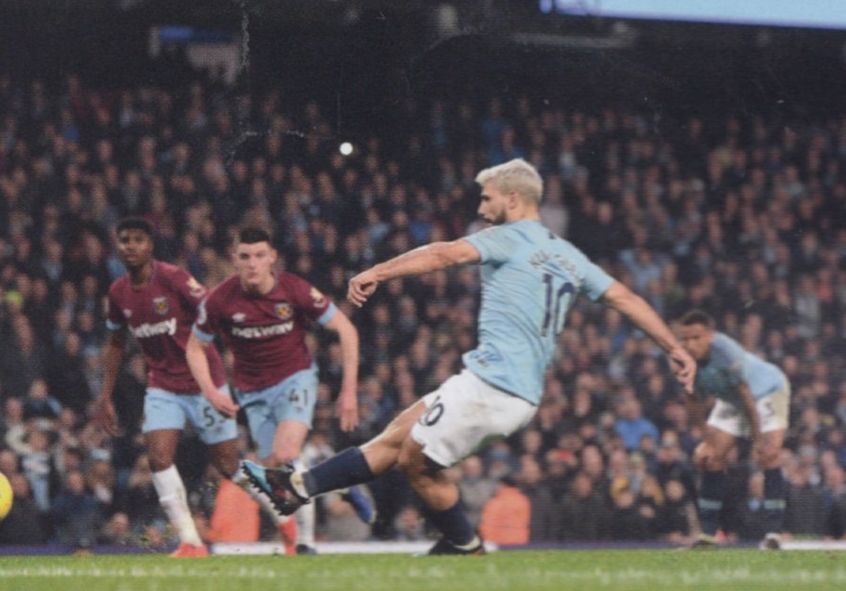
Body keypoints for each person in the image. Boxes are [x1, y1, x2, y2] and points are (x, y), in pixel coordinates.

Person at [242, 158, 696, 555]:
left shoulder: (511, 236)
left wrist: (377, 271)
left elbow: (443, 254)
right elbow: (627, 299)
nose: (481, 210)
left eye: (487, 199)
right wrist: (674, 348)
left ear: (513, 200)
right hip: (496, 384)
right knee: (398, 433)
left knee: (412, 459)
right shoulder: (568, 255)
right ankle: (303, 489)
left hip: (494, 388)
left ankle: (457, 540)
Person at [92, 218, 294, 557]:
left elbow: (213, 310)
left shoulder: (174, 279)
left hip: (205, 383)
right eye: (124, 240)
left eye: (138, 240)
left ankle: (284, 513)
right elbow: (115, 343)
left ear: (150, 246)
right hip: (162, 385)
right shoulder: (118, 293)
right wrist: (106, 393)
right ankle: (191, 541)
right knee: (157, 457)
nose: (130, 246)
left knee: (229, 465)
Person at [186, 226, 367, 554]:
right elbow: (194, 348)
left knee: (286, 456)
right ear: (234, 260)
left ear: (272, 258)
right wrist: (212, 392)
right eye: (245, 257)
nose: (252, 264)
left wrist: (349, 390)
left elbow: (346, 329)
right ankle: (334, 484)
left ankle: (305, 544)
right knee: (276, 472)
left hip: (295, 379)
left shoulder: (294, 290)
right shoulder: (220, 301)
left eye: (259, 256)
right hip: (252, 394)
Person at [677, 310, 791, 550]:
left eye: (696, 338)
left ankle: (774, 535)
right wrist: (708, 439)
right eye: (685, 339)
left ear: (709, 335)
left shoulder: (727, 353)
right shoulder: (681, 358)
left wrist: (757, 439)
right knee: (709, 458)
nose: (690, 344)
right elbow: (692, 400)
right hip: (731, 399)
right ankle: (707, 537)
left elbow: (747, 398)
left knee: (768, 455)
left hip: (766, 392)